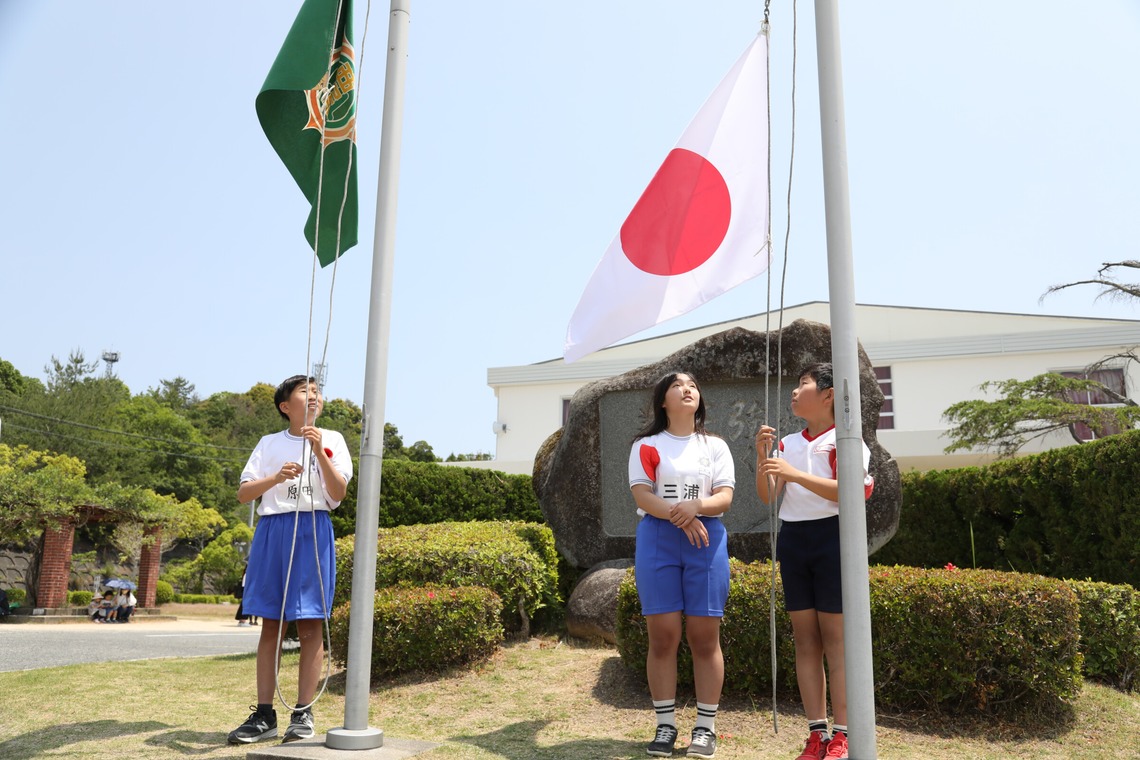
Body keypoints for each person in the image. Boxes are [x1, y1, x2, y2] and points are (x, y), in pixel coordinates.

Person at [755, 363, 874, 760]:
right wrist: (762, 457)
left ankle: (842, 734)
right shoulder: (788, 442)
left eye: (802, 384)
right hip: (794, 540)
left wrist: (794, 474)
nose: (793, 391)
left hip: (832, 539)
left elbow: (849, 492)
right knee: (806, 640)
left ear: (827, 395)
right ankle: (816, 734)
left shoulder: (846, 440)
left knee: (836, 642)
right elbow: (769, 496)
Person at [226, 375, 352, 745]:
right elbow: (244, 493)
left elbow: (339, 491)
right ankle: (264, 715)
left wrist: (317, 452)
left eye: (317, 392)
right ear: (286, 406)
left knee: (311, 623)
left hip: (313, 528)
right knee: (271, 625)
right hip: (273, 531)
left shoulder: (333, 440)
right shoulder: (268, 443)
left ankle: (303, 713)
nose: (313, 396)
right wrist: (275, 477)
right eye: (304, 392)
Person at [629, 371, 735, 758]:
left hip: (706, 542)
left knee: (705, 638)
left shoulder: (715, 446)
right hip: (658, 539)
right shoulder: (646, 445)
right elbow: (642, 494)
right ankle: (665, 726)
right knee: (663, 636)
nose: (686, 389)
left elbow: (723, 497)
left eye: (692, 385)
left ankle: (705, 730)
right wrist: (684, 515)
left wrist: (696, 509)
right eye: (677, 385)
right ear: (663, 401)